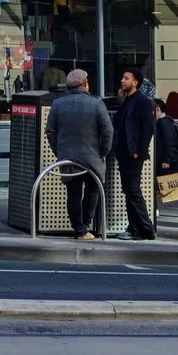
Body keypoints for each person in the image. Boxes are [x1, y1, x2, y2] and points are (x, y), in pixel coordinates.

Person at [46, 68, 112, 240]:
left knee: (73, 192)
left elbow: (50, 131)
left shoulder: (58, 104)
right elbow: (107, 131)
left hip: (68, 156)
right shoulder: (96, 103)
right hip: (92, 156)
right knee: (93, 189)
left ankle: (79, 228)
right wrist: (103, 151)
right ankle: (86, 224)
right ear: (85, 84)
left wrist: (59, 150)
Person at [111, 68, 159, 241]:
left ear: (135, 82)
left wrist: (140, 150)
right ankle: (133, 228)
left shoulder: (142, 102)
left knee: (133, 190)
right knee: (129, 191)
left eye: (126, 78)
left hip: (133, 154)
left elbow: (148, 129)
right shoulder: (126, 101)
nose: (122, 80)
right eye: (122, 77)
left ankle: (146, 228)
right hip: (124, 153)